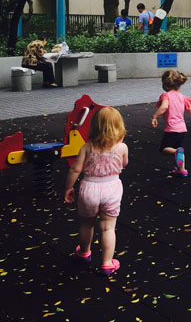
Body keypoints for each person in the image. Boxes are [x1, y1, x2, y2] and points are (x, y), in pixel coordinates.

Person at [64, 107, 129, 276]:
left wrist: (69, 187)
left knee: (87, 224)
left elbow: (75, 170)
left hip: (89, 189)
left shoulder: (87, 147)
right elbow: (124, 164)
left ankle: (84, 252)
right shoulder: (122, 147)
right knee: (108, 228)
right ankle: (107, 263)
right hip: (112, 188)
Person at [151, 70, 191, 177]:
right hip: (182, 129)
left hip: (171, 129)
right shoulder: (183, 97)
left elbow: (164, 106)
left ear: (165, 84)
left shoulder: (166, 95)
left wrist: (155, 116)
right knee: (179, 149)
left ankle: (176, 153)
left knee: (164, 149)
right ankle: (182, 170)